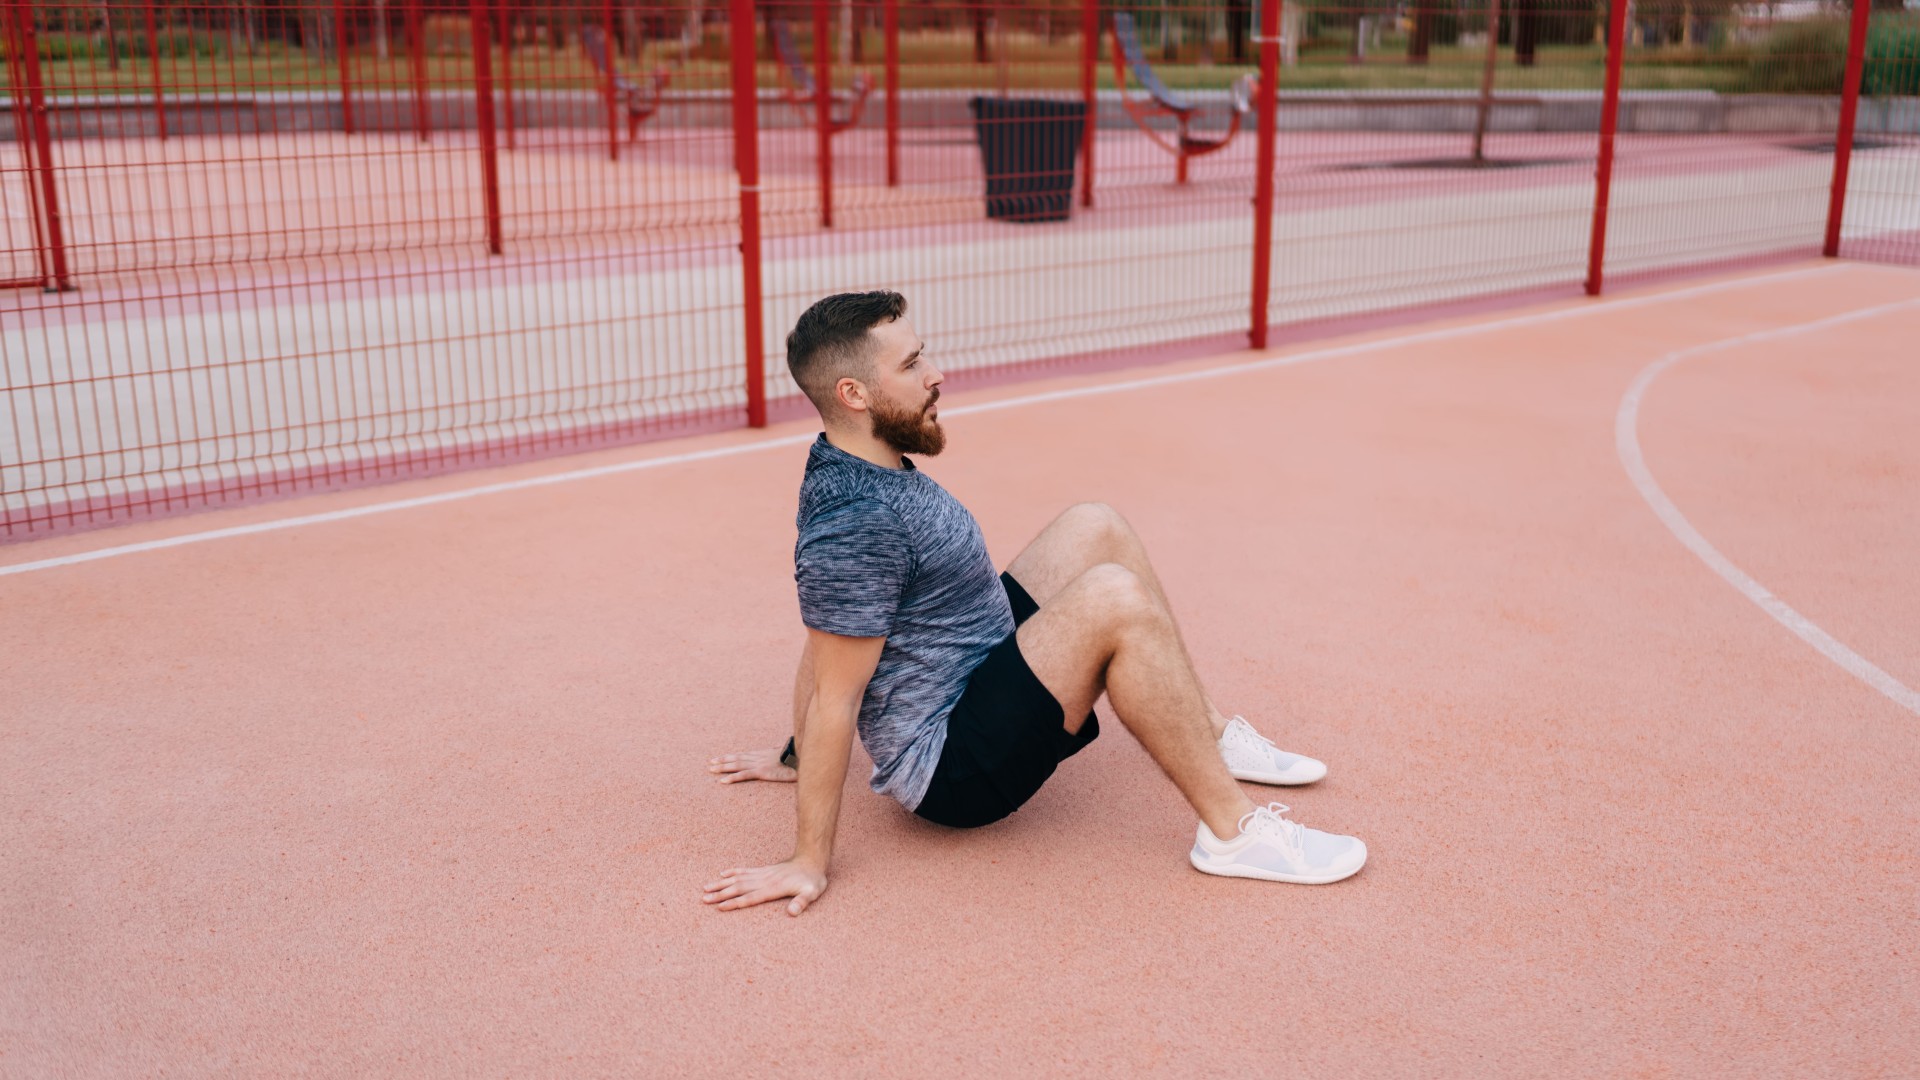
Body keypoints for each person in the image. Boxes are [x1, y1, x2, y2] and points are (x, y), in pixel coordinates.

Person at [702, 292, 1366, 917]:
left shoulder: (858, 457)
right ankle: (1233, 832)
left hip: (976, 661)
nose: (936, 374)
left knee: (1094, 523)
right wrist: (807, 860)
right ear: (853, 394)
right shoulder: (855, 524)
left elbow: (835, 623)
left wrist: (791, 755)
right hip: (954, 766)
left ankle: (1212, 735)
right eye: (910, 364)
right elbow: (833, 686)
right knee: (1115, 600)